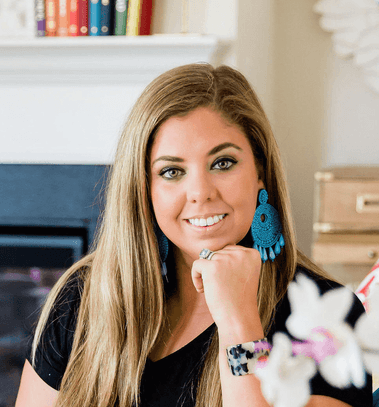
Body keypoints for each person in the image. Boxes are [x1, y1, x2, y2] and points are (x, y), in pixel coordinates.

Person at [15, 63, 372, 407]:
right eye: (172, 171)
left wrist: (240, 321)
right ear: (145, 189)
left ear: (259, 172)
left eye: (223, 163)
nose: (200, 192)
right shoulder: (85, 296)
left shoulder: (329, 317)